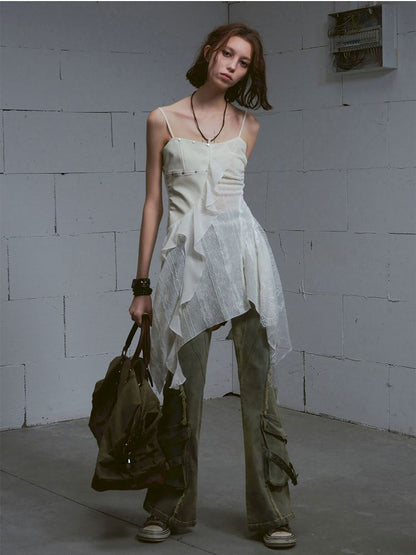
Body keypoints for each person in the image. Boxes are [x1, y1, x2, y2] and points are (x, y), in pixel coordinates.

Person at [129, 22, 298, 550]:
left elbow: (230, 209)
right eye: (228, 53)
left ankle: (272, 513)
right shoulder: (162, 119)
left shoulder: (248, 126)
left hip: (246, 263)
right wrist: (141, 284)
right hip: (186, 270)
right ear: (209, 53)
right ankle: (169, 508)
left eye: (244, 62)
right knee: (182, 390)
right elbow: (153, 204)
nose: (232, 66)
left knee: (260, 392)